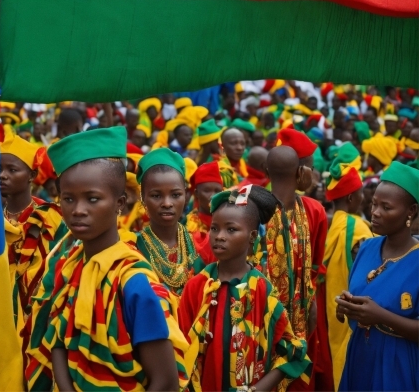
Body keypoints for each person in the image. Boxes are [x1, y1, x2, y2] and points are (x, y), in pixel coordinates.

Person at [25, 126, 188, 391]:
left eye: (92, 199)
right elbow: (56, 339)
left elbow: (165, 382)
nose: (78, 210)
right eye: (68, 199)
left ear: (120, 203)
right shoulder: (66, 267)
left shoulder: (134, 283)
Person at [178, 184, 311, 392]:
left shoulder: (261, 289)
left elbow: (291, 349)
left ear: (251, 237)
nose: (219, 236)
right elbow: (178, 346)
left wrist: (260, 388)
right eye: (214, 228)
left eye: (231, 229)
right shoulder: (197, 286)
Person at [337, 162, 419, 392]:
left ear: (411, 211)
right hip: (360, 355)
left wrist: (380, 316)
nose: (375, 213)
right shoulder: (367, 248)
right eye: (373, 204)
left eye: (386, 207)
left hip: (398, 364)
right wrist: (346, 306)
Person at [263, 140, 327, 391]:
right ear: (301, 173)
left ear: (266, 172)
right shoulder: (255, 210)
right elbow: (317, 267)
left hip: (287, 317)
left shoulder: (312, 210)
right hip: (275, 320)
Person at [0, 134, 64, 333]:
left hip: (37, 318)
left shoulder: (50, 216)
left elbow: (56, 268)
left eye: (12, 170)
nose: (2, 175)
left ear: (32, 175)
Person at [323, 145, 372, 390]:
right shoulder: (357, 228)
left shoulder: (333, 225)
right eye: (362, 193)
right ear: (352, 197)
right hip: (351, 308)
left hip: (332, 307)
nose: (366, 198)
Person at [135, 147, 199, 296]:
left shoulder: (201, 244)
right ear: (143, 198)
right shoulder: (134, 248)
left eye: (176, 195)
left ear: (186, 195)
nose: (167, 203)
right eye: (156, 196)